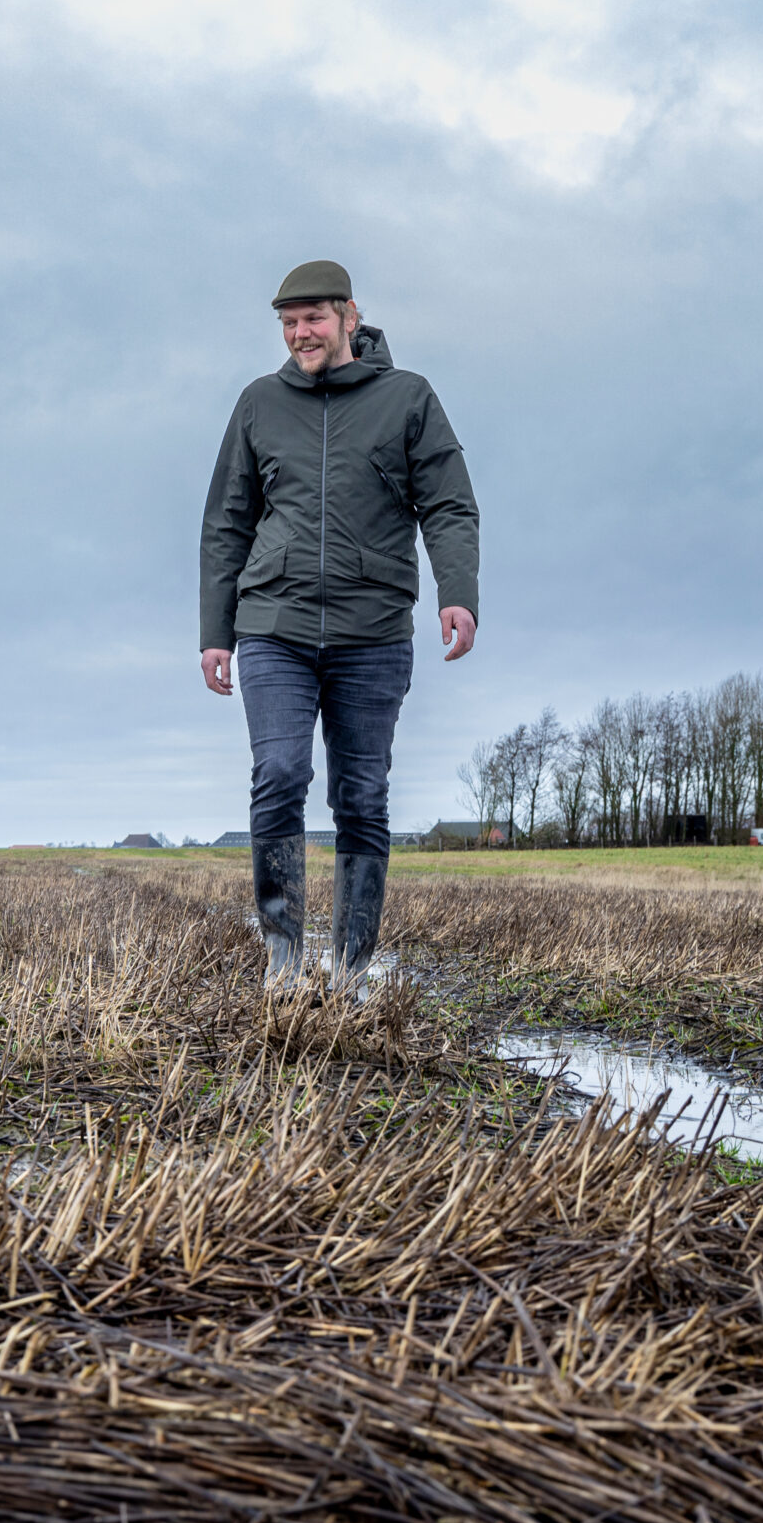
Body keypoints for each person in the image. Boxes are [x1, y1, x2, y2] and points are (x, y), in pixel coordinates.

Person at [198, 260, 480, 991]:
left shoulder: (407, 398)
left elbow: (448, 503)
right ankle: (283, 958)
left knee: (361, 796)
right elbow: (226, 524)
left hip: (373, 630)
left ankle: (352, 966)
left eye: (314, 319)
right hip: (274, 625)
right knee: (280, 774)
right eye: (288, 324)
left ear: (350, 317)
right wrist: (216, 631)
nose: (300, 335)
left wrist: (458, 589)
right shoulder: (259, 404)